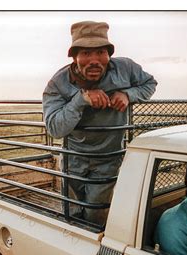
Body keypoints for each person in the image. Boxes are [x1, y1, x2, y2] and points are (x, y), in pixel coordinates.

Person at [42, 21, 157, 226]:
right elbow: (55, 128)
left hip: (107, 158)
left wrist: (128, 94)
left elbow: (149, 84)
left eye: (101, 52)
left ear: (109, 54)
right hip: (73, 159)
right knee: (72, 213)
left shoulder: (125, 68)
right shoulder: (58, 83)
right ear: (74, 56)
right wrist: (80, 99)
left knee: (97, 216)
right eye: (86, 53)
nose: (94, 60)